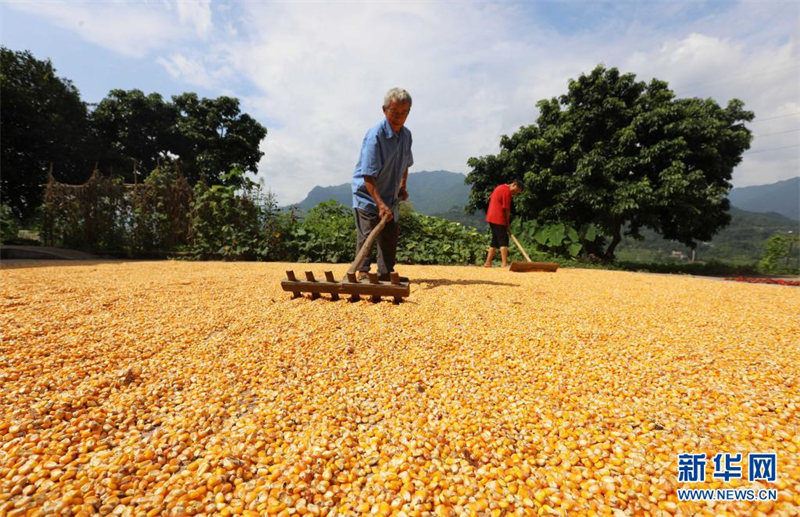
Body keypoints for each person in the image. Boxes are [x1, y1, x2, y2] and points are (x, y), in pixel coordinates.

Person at [351, 88, 413, 281]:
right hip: (367, 194)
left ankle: (385, 273)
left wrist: (402, 186)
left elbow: (405, 164)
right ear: (384, 110)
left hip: (390, 196)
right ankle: (362, 272)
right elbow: (368, 176)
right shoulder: (374, 137)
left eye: (404, 113)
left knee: (390, 235)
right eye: (394, 112)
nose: (399, 117)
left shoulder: (406, 136)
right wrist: (380, 204)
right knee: (368, 233)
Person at [483, 180, 522, 268]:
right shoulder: (507, 192)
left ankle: (488, 263)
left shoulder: (499, 187)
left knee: (495, 241)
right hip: (498, 218)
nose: (515, 193)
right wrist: (507, 224)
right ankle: (504, 264)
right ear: (514, 184)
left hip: (491, 217)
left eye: (517, 193)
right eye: (515, 191)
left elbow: (492, 199)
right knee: (503, 240)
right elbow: (506, 209)